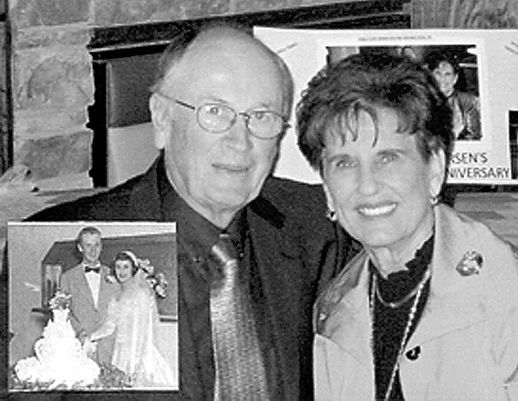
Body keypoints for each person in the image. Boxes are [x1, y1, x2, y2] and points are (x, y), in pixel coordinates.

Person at [27, 24, 353, 400]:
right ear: (162, 119)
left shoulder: (319, 226)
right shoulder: (47, 242)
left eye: (262, 116)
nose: (240, 141)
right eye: (215, 112)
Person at [296, 53, 518, 400]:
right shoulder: (333, 309)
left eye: (388, 158)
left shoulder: (512, 289)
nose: (367, 185)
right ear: (327, 188)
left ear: (435, 168)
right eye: (344, 163)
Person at [86, 251, 176, 388]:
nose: (121, 272)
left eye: (126, 267)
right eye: (118, 267)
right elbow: (110, 325)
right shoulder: (117, 296)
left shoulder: (141, 294)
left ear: (133, 269)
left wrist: (134, 365)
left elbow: (142, 332)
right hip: (120, 351)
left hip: (139, 354)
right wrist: (90, 337)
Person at [60, 226, 119, 365]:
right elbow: (63, 312)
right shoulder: (67, 277)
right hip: (81, 345)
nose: (93, 250)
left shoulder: (114, 275)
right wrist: (80, 333)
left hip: (110, 346)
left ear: (101, 246)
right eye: (88, 245)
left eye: (96, 245)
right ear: (80, 247)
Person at [425, 51, 481, 140]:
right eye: (438, 73)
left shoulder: (470, 101)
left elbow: (475, 137)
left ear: (455, 78)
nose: (442, 79)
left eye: (447, 74)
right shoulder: (421, 101)